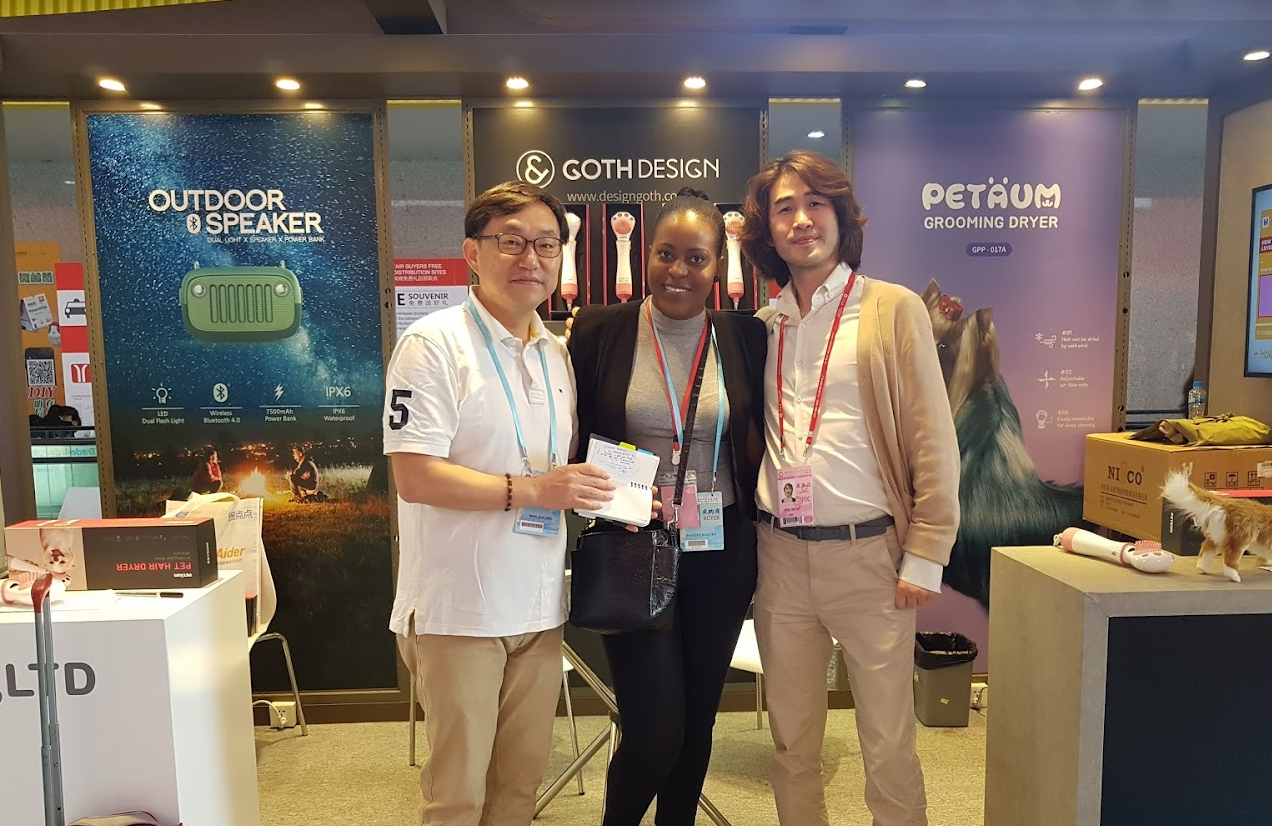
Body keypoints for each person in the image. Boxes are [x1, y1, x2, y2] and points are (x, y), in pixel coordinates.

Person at [383, 181, 621, 826]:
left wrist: (618, 495)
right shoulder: (433, 344)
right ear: (473, 253)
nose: (530, 259)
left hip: (538, 609)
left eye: (546, 245)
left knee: (520, 789)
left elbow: (564, 469)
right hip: (459, 611)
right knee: (457, 796)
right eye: (511, 242)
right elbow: (415, 476)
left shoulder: (556, 354)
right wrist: (534, 492)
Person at [739, 150, 961, 826]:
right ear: (768, 230)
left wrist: (927, 551)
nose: (801, 219)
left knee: (887, 743)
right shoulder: (763, 326)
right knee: (791, 741)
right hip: (780, 556)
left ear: (841, 215)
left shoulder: (890, 309)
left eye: (815, 203)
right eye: (784, 208)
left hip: (872, 559)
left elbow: (932, 436)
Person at [569, 187, 766, 826]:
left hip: (720, 548)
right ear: (647, 254)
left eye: (696, 258)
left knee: (698, 721)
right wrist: (624, 495)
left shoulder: (745, 336)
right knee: (654, 731)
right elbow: (576, 439)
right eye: (665, 254)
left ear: (718, 266)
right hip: (632, 544)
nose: (678, 270)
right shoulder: (598, 329)